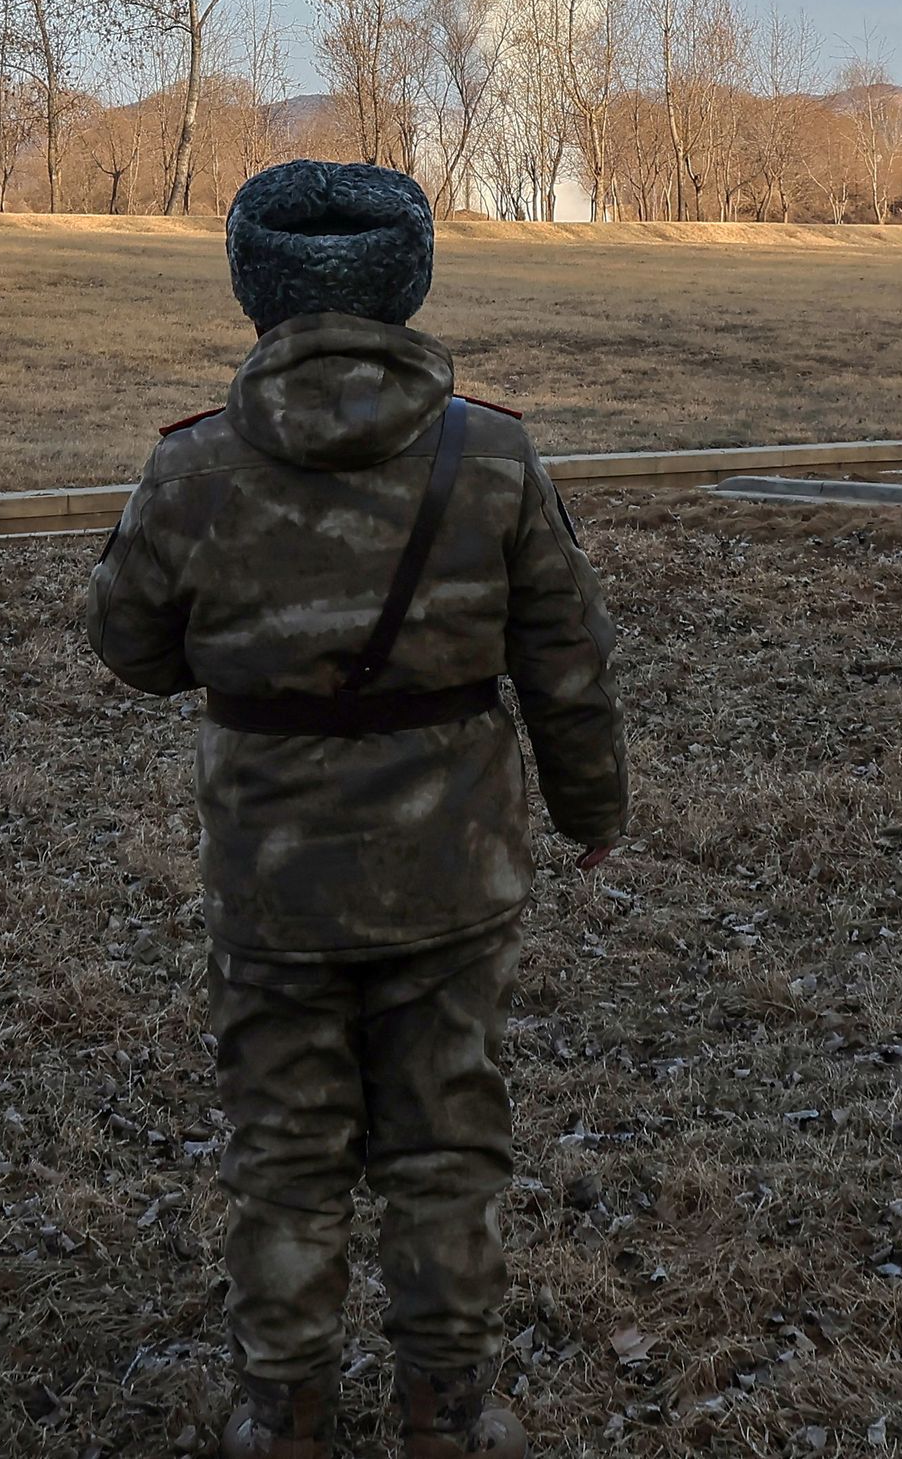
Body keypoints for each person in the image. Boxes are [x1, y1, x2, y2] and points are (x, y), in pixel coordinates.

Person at [89, 160, 630, 1459]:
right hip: (455, 871)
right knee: (447, 1141)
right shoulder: (490, 452)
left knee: (287, 1155)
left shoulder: (193, 465)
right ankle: (450, 1408)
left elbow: (129, 643)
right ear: (413, 277)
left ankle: (284, 1412)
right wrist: (589, 804)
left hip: (272, 881)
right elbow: (568, 655)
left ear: (251, 284)